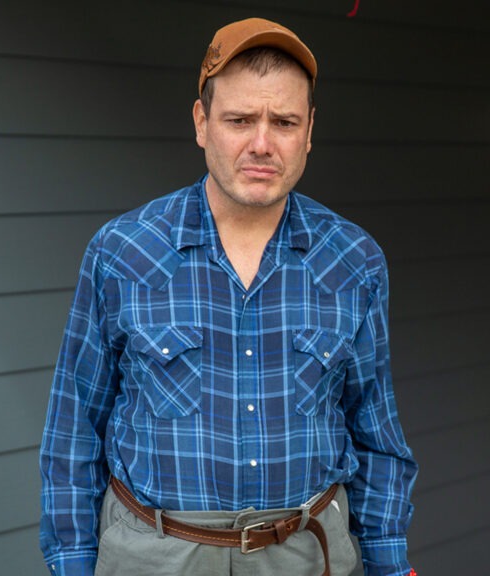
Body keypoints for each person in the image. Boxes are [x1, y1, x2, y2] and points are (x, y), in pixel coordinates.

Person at [39, 18, 418, 576]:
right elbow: (73, 430)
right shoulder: (122, 251)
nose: (261, 144)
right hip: (154, 555)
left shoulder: (354, 261)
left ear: (309, 131)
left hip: (306, 553)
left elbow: (377, 435)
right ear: (202, 123)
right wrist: (71, 562)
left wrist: (389, 561)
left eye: (283, 122)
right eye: (240, 120)